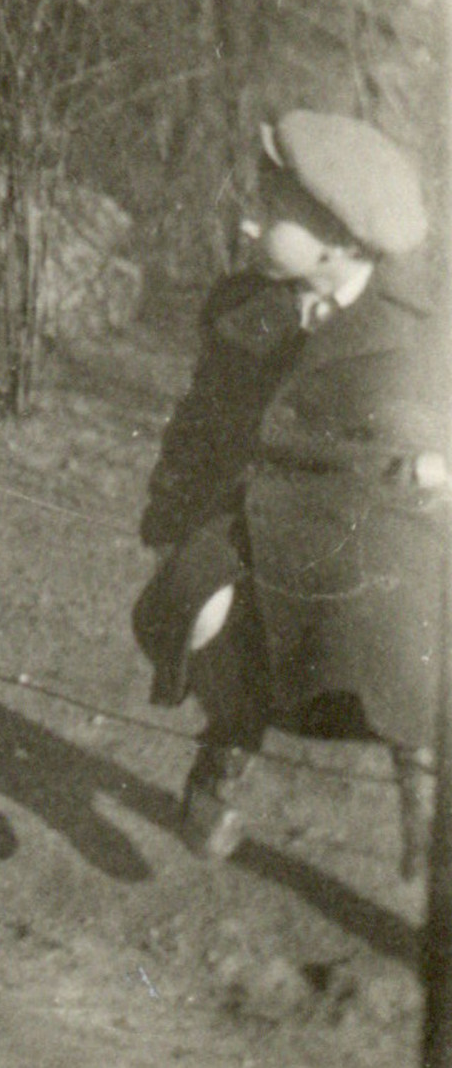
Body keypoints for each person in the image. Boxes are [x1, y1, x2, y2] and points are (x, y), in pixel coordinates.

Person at [134, 109, 448, 873]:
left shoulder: (422, 326)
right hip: (254, 510)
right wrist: (173, 503)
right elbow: (204, 413)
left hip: (371, 522)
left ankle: (423, 787)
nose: (248, 221)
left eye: (272, 212)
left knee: (406, 665)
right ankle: (226, 745)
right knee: (192, 611)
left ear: (340, 240)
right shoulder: (244, 305)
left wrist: (442, 460)